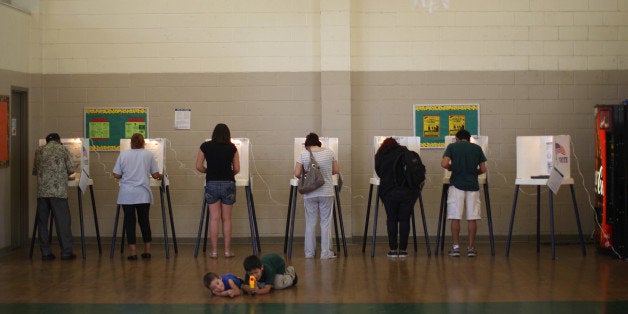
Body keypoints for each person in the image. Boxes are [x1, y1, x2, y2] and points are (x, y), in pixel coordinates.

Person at [113, 133, 162, 260]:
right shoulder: (148, 155)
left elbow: (116, 175)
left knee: (130, 223)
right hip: (143, 194)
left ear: (131, 143)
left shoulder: (124, 155)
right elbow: (156, 175)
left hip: (127, 195)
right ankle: (147, 250)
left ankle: (133, 252)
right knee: (144, 221)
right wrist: (162, 175)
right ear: (143, 143)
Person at [196, 123, 240, 258]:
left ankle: (214, 252)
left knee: (214, 219)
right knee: (226, 219)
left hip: (211, 183)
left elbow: (198, 166)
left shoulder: (205, 146)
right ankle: (227, 251)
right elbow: (237, 168)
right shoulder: (232, 148)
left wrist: (208, 170)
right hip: (228, 183)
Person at [441, 128, 487, 257]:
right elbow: (483, 168)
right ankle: (471, 248)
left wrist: (452, 168)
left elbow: (444, 164)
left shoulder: (452, 146)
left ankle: (456, 248)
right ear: (468, 138)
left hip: (456, 185)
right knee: (472, 218)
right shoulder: (477, 148)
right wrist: (473, 173)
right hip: (473, 186)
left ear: (457, 138)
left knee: (456, 217)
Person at [294, 132, 339, 260]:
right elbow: (336, 170)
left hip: (310, 193)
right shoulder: (329, 152)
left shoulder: (303, 154)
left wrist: (308, 175)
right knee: (325, 223)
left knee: (310, 223)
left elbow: (297, 173)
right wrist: (322, 172)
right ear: (318, 142)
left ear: (307, 143)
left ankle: (309, 253)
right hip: (326, 192)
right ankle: (325, 253)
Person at [32, 133, 77, 261]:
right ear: (59, 141)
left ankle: (45, 253)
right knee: (62, 222)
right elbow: (71, 169)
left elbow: (35, 170)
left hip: (42, 193)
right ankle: (66, 252)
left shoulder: (39, 150)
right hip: (58, 192)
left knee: (42, 223)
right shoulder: (63, 149)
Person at [374, 137, 421, 258]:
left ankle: (393, 249)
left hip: (389, 192)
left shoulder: (380, 155)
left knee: (391, 219)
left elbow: (379, 172)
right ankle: (403, 250)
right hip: (408, 192)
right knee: (405, 219)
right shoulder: (406, 153)